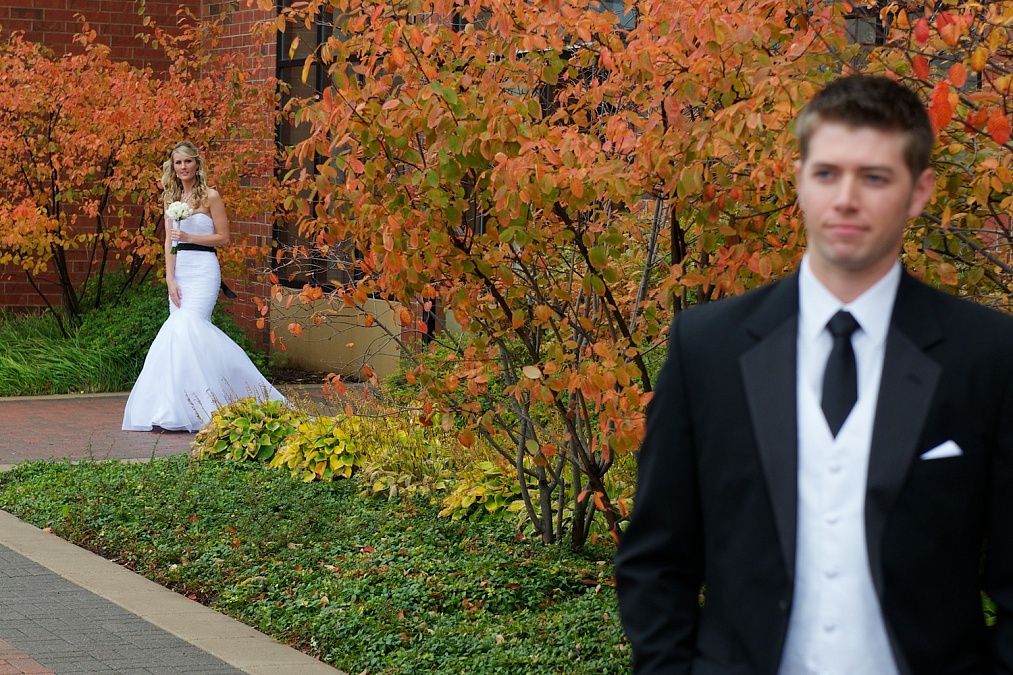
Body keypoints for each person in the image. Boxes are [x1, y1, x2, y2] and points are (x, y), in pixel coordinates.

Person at [614, 75, 1013, 674]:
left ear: (919, 191)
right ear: (799, 180)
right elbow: (655, 561)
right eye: (827, 173)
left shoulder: (987, 353)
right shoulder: (708, 348)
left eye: (874, 177)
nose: (846, 198)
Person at [122, 141, 285, 432]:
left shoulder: (211, 196)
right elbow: (168, 242)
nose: (183, 167)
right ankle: (176, 408)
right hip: (180, 270)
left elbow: (223, 238)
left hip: (204, 269)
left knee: (191, 327)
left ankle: (232, 392)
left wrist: (190, 236)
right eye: (178, 163)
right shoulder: (171, 199)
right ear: (173, 167)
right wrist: (170, 278)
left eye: (187, 162)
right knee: (179, 335)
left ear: (197, 164)